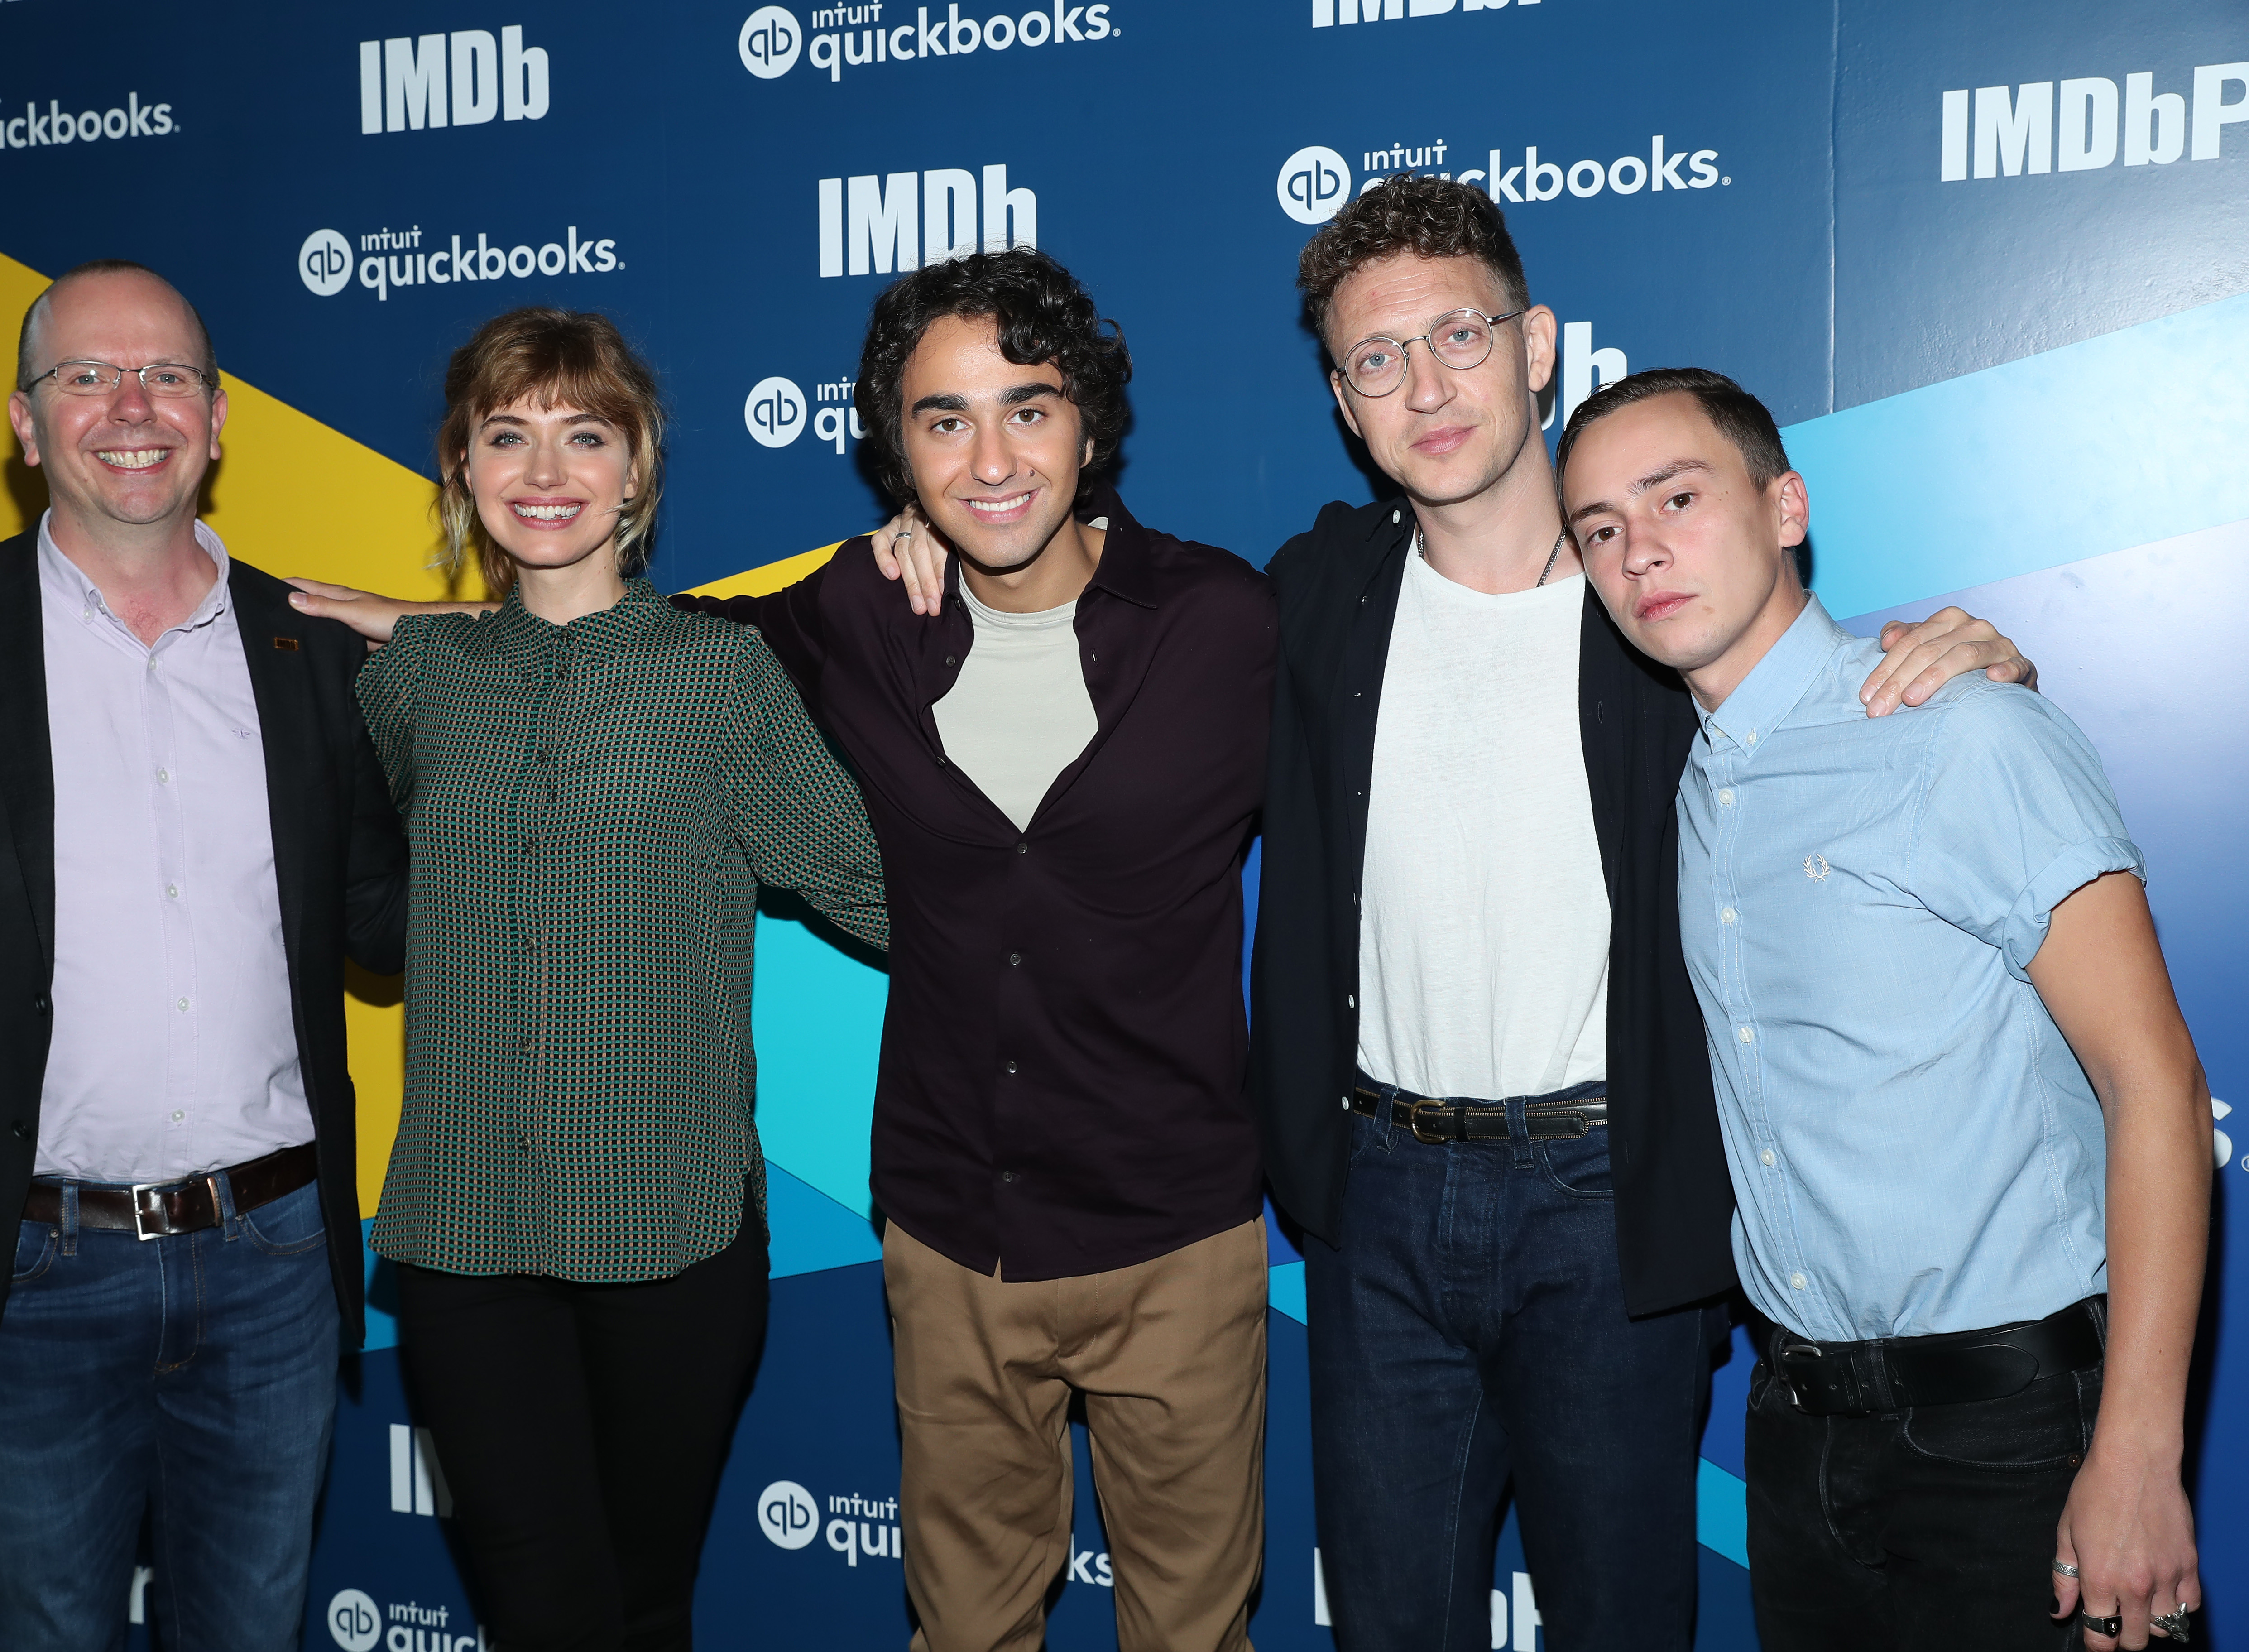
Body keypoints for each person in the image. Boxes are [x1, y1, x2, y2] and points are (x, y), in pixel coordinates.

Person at [298, 251, 1276, 1652]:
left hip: (1147, 1228)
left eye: (1027, 408)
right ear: (895, 450)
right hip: (920, 1238)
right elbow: (602, 648)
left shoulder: (1221, 620)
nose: (988, 456)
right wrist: (406, 623)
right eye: (944, 419)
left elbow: (675, 674)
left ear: (1090, 423)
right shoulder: (841, 613)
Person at [1239, 176, 2036, 1651]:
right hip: (1380, 1203)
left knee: (1622, 1621)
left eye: (1459, 335)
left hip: (1613, 1207)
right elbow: (1099, 625)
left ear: (1537, 345)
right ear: (1346, 406)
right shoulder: (1313, 598)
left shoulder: (1663, 602)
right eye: (1376, 359)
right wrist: (919, 551)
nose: (1426, 386)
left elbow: (1837, 700)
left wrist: (1977, 654)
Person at [0, 260, 408, 1651]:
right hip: (23, 1277)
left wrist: (543, 762)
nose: (132, 407)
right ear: (26, 424)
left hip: (272, 1268)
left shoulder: (311, 652)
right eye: (87, 377)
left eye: (169, 377)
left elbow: (381, 916)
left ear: (219, 415)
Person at [1557, 365, 2208, 1652]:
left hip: (2017, 1430)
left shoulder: (1961, 733)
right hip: (1799, 1434)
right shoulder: (1686, 780)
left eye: (1677, 497)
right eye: (1600, 532)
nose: (1643, 553)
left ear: (1784, 506)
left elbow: (2161, 1093)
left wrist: (2139, 1450)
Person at [294, 306, 887, 1652]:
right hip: (464, 1239)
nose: (545, 469)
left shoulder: (717, 677)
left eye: (584, 434)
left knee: (641, 1603)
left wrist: (1078, 957)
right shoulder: (417, 679)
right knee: (543, 1612)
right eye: (507, 435)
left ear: (638, 470)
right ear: (462, 469)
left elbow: (875, 886)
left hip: (671, 1237)